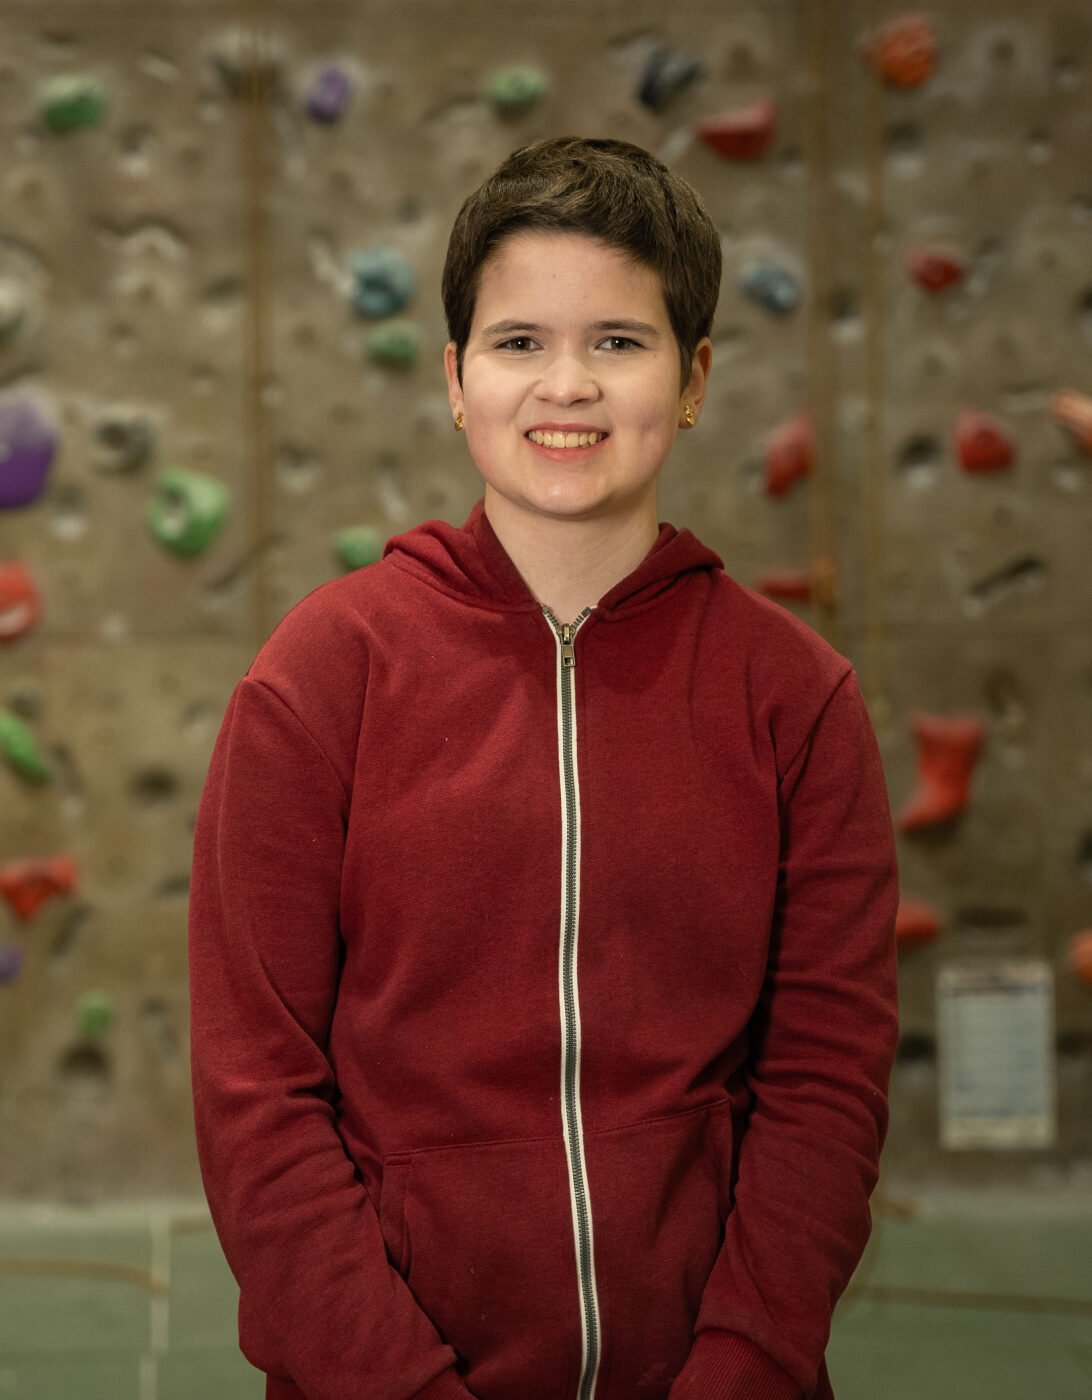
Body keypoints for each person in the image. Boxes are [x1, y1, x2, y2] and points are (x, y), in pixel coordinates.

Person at [188, 135, 900, 1400]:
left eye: (619, 342)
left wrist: (738, 1372)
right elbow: (258, 1096)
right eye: (520, 342)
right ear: (457, 379)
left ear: (692, 379)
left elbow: (825, 1086)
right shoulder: (320, 676)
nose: (565, 384)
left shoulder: (796, 697)